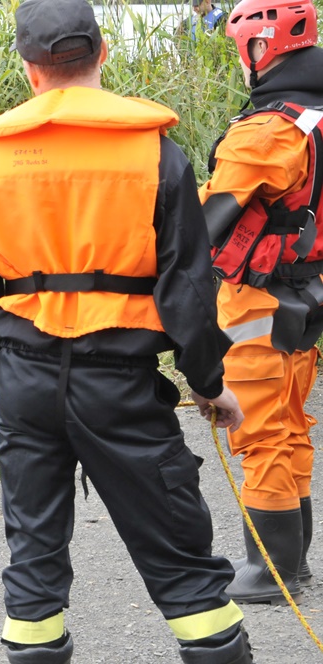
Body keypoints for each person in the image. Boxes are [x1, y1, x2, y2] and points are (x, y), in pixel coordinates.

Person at [0, 1, 252, 662]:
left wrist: (2, 375)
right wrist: (208, 383)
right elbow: (189, 291)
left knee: (32, 565)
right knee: (180, 558)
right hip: (119, 381)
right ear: (103, 52)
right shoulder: (156, 153)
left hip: (24, 378)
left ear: (29, 70)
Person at [199, 0, 323, 605]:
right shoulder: (313, 115)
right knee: (291, 421)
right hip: (306, 292)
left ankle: (270, 570)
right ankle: (292, 562)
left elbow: (211, 223)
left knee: (259, 428)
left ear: (259, 49)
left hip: (258, 301)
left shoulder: (266, 128)